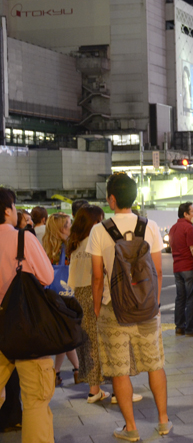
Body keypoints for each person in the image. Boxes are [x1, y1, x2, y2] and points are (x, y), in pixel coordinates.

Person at [87, 173, 171, 440]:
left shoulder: (99, 230)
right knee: (155, 365)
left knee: (119, 370)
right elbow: (156, 269)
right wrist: (154, 303)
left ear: (112, 199)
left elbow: (97, 277)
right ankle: (163, 421)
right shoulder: (150, 226)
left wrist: (98, 309)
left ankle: (131, 429)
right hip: (147, 308)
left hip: (114, 309)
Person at [0, 188, 55, 442]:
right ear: (8, 210)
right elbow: (47, 277)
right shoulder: (23, 239)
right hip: (24, 325)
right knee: (35, 399)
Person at [68, 205, 112, 403]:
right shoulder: (94, 243)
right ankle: (96, 390)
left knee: (86, 342)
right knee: (96, 342)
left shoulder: (75, 244)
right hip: (92, 294)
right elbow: (98, 276)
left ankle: (94, 387)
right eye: (100, 220)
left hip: (77, 295)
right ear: (94, 223)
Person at [42, 212, 81, 387]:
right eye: (67, 224)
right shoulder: (69, 247)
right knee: (66, 334)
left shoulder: (45, 246)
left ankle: (58, 372)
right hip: (67, 295)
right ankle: (77, 369)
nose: (70, 227)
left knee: (63, 334)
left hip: (50, 296)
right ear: (60, 228)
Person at [169, 202, 193, 337]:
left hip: (177, 268)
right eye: (192, 211)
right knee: (191, 298)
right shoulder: (189, 228)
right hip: (189, 267)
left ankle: (179, 327)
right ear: (185, 214)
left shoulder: (173, 228)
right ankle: (190, 328)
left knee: (180, 298)